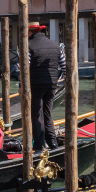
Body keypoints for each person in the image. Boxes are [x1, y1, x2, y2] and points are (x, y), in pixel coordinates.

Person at [27, 22, 65, 151]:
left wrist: (22, 85)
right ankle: (53, 143)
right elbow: (64, 66)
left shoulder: (28, 45)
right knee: (47, 113)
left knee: (37, 114)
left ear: (30, 32)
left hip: (36, 84)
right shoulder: (56, 45)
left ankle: (39, 145)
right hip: (52, 84)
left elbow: (25, 68)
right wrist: (65, 81)